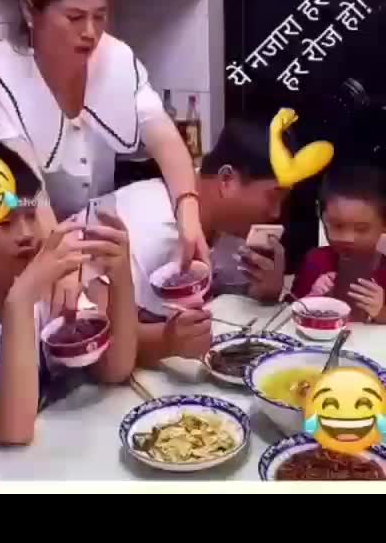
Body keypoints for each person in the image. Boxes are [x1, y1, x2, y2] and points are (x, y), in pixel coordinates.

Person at [0, 0, 208, 311]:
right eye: (74, 17)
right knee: (62, 313)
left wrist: (188, 211)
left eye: (100, 16)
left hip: (95, 230)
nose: (91, 32)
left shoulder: (116, 58)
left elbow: (165, 138)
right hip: (30, 235)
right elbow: (28, 189)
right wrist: (60, 261)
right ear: (30, 11)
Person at [0, 139, 137, 471]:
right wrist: (22, 299)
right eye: (3, 222)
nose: (27, 234)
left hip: (37, 460)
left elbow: (114, 368)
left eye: (30, 215)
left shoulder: (39, 277)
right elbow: (11, 429)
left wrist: (120, 277)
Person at [92, 119, 290, 366]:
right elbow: (100, 345)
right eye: (273, 196)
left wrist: (266, 292)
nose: (276, 213)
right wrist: (166, 341)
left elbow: (225, 299)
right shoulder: (146, 224)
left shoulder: (230, 228)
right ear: (227, 180)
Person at [292, 165, 386, 323]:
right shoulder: (316, 260)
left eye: (361, 229)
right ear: (322, 217)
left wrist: (380, 312)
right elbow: (291, 310)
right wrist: (312, 297)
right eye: (337, 226)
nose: (348, 238)